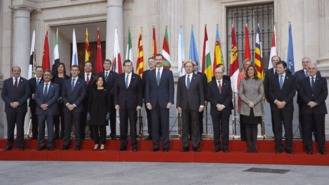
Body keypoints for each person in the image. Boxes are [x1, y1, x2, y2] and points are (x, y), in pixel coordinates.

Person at [145, 54, 174, 152]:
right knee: (154, 125)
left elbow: (171, 88)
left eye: (159, 59)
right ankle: (155, 145)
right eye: (156, 59)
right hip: (152, 103)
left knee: (165, 125)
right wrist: (147, 101)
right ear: (154, 61)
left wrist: (170, 101)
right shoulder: (150, 73)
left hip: (165, 103)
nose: (158, 61)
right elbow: (147, 89)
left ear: (162, 61)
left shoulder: (168, 73)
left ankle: (166, 145)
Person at [299, 62, 327, 154]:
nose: (311, 70)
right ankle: (309, 150)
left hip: (319, 109)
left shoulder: (322, 80)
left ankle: (321, 149)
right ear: (307, 70)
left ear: (316, 69)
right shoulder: (303, 80)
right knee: (307, 131)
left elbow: (324, 94)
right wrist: (308, 102)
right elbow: (301, 93)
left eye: (313, 68)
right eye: (309, 68)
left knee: (320, 130)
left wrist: (316, 102)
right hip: (306, 109)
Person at [177, 60, 205, 152]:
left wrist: (202, 104)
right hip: (184, 106)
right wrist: (178, 105)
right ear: (184, 68)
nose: (188, 68)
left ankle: (195, 144)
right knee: (184, 126)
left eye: (190, 66)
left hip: (195, 105)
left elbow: (201, 92)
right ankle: (185, 144)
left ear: (193, 68)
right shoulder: (181, 79)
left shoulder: (198, 78)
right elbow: (179, 94)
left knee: (195, 125)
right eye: (186, 66)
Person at [115, 60, 142, 151]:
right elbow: (116, 92)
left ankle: (134, 145)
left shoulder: (137, 77)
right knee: (123, 125)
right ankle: (123, 144)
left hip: (133, 105)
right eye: (126, 65)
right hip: (122, 105)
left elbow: (139, 92)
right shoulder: (119, 77)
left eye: (130, 65)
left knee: (133, 125)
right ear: (123, 67)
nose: (128, 67)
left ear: (132, 66)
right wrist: (116, 103)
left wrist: (139, 104)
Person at [268, 61, 296, 153]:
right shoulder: (272, 78)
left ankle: (289, 148)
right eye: (277, 67)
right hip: (275, 107)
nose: (278, 69)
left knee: (288, 127)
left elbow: (292, 92)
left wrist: (284, 102)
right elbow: (270, 91)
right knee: (277, 128)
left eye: (280, 67)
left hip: (287, 107)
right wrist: (276, 101)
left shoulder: (291, 78)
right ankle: (279, 147)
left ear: (285, 68)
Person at [1, 66, 30, 150]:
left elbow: (27, 94)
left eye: (18, 71)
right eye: (15, 71)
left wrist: (19, 102)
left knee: (20, 126)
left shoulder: (25, 82)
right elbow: (3, 95)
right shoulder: (6, 82)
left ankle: (20, 145)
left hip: (21, 108)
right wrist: (10, 103)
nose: (16, 72)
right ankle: (9, 144)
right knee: (10, 126)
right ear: (12, 72)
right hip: (10, 108)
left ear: (20, 72)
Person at [239, 65, 264, 153]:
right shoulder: (243, 81)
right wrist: (248, 102)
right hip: (246, 107)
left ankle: (254, 145)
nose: (250, 71)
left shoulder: (259, 81)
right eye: (249, 70)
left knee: (254, 127)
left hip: (256, 107)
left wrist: (254, 102)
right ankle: (249, 146)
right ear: (246, 71)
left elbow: (261, 94)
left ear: (254, 71)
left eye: (252, 70)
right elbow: (241, 94)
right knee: (247, 127)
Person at [208, 64, 232, 152]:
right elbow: (209, 97)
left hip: (225, 109)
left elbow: (229, 96)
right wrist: (217, 105)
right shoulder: (210, 84)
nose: (217, 74)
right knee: (216, 128)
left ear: (222, 73)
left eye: (219, 72)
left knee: (225, 128)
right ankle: (217, 146)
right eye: (216, 73)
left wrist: (223, 105)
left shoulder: (227, 83)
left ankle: (225, 146)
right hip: (215, 109)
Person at [62, 65, 86, 150]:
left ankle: (78, 144)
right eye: (73, 70)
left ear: (79, 72)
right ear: (71, 71)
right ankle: (66, 143)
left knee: (77, 126)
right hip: (67, 107)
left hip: (77, 108)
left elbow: (82, 95)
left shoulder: (82, 82)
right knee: (67, 126)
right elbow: (63, 95)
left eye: (76, 70)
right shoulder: (66, 82)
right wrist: (68, 104)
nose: (74, 72)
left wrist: (74, 104)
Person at [35, 71, 59, 150]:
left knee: (50, 127)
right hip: (40, 109)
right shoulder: (39, 85)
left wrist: (47, 104)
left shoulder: (55, 86)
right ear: (43, 76)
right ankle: (41, 143)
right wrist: (41, 105)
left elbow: (55, 97)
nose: (46, 76)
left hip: (51, 109)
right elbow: (36, 97)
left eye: (48, 75)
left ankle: (50, 143)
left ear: (51, 77)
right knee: (41, 127)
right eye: (45, 75)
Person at [88, 75, 108, 151]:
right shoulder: (92, 91)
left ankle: (102, 143)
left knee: (102, 129)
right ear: (96, 82)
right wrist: (88, 112)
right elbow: (89, 102)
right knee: (94, 129)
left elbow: (108, 103)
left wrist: (108, 113)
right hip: (93, 112)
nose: (100, 81)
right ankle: (96, 143)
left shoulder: (106, 91)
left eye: (101, 80)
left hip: (103, 112)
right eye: (99, 80)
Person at [52, 62, 69, 139]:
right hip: (55, 102)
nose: (60, 68)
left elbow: (69, 90)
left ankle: (63, 134)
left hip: (65, 102)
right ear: (57, 68)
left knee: (64, 118)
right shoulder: (53, 78)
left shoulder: (68, 78)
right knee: (55, 118)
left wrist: (64, 98)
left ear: (64, 68)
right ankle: (56, 134)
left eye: (62, 67)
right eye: (59, 67)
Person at [101, 59, 118, 139]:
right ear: (103, 65)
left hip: (111, 99)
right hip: (101, 100)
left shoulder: (115, 75)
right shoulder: (99, 74)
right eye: (105, 63)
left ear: (110, 65)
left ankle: (113, 134)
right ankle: (103, 134)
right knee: (102, 117)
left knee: (112, 117)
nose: (107, 65)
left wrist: (108, 93)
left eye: (108, 64)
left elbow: (116, 87)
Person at [79, 62, 96, 140]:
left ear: (92, 67)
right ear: (84, 67)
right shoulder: (79, 76)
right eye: (86, 66)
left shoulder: (95, 77)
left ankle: (93, 136)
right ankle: (81, 136)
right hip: (81, 102)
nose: (88, 67)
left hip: (92, 103)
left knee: (92, 120)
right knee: (81, 120)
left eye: (90, 66)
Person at [28, 66, 44, 139]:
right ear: (35, 72)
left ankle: (41, 136)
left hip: (42, 104)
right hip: (33, 104)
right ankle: (34, 135)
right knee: (34, 119)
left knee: (42, 120)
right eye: (38, 71)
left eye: (41, 71)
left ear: (42, 72)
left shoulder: (45, 80)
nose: (39, 72)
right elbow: (27, 92)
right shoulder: (30, 81)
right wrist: (31, 95)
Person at [237, 60, 251, 141]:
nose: (248, 66)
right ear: (244, 65)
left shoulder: (254, 74)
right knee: (243, 120)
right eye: (246, 64)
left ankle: (251, 137)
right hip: (243, 101)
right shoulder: (241, 75)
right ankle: (244, 138)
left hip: (253, 102)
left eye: (249, 64)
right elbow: (239, 88)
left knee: (251, 120)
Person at [142, 57, 155, 140]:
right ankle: (151, 134)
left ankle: (158, 133)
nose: (150, 63)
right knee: (149, 117)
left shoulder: (158, 72)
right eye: (149, 62)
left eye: (152, 62)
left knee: (157, 117)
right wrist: (144, 98)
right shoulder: (145, 73)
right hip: (148, 99)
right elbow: (143, 86)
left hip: (157, 99)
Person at [193, 63, 208, 137]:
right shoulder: (187, 75)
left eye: (196, 65)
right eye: (193, 65)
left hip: (200, 100)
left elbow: (205, 88)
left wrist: (205, 99)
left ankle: (200, 133)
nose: (194, 66)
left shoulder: (202, 75)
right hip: (191, 101)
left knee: (199, 117)